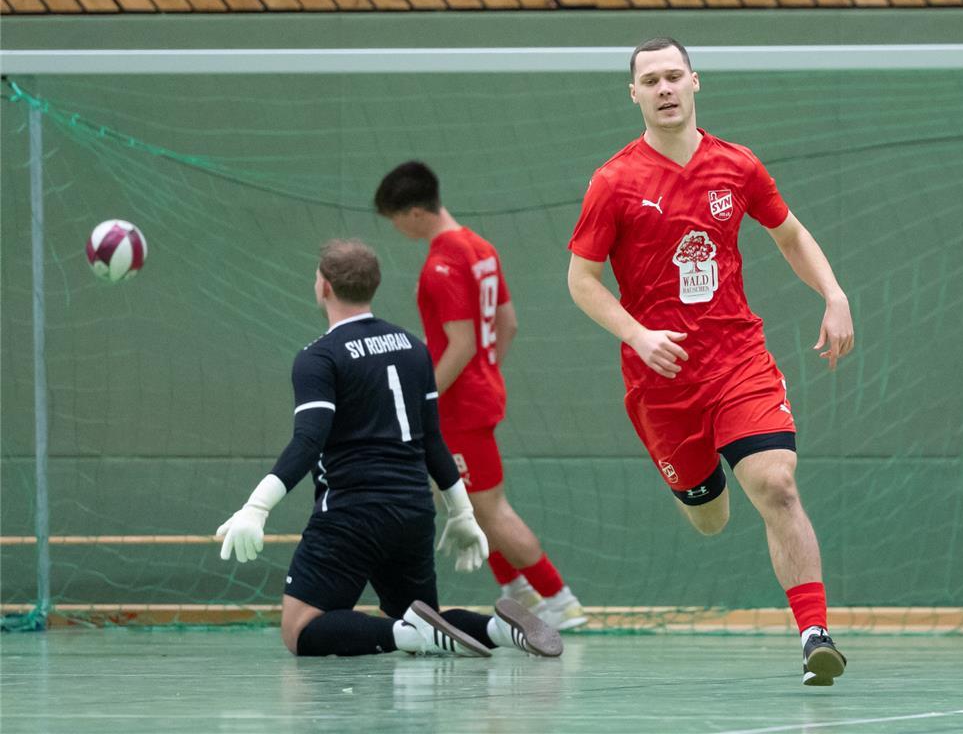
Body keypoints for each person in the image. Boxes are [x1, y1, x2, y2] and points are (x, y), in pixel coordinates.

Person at [566, 37, 853, 686]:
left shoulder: (737, 165)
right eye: (651, 80)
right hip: (661, 384)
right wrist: (637, 335)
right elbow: (581, 281)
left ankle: (814, 635)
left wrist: (833, 294)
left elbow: (789, 233)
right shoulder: (613, 182)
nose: (665, 88)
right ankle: (698, 483)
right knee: (710, 517)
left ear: (695, 83)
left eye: (674, 76)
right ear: (634, 94)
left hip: (737, 362)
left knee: (777, 485)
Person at [215, 239, 563, 659]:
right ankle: (500, 629)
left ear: (323, 287)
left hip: (351, 513)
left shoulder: (319, 358)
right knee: (421, 612)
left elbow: (309, 441)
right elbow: (433, 440)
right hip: (414, 511)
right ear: (373, 286)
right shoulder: (414, 348)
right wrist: (461, 513)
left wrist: (256, 509)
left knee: (300, 629)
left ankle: (409, 635)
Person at [375, 163, 587, 631]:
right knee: (467, 503)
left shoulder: (441, 263)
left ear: (413, 213)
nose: (395, 228)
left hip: (459, 407)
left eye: (394, 218)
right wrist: (484, 375)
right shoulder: (481, 248)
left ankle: (559, 598)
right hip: (476, 395)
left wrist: (423, 399)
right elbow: (506, 326)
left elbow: (463, 343)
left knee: (488, 509)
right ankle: (518, 589)